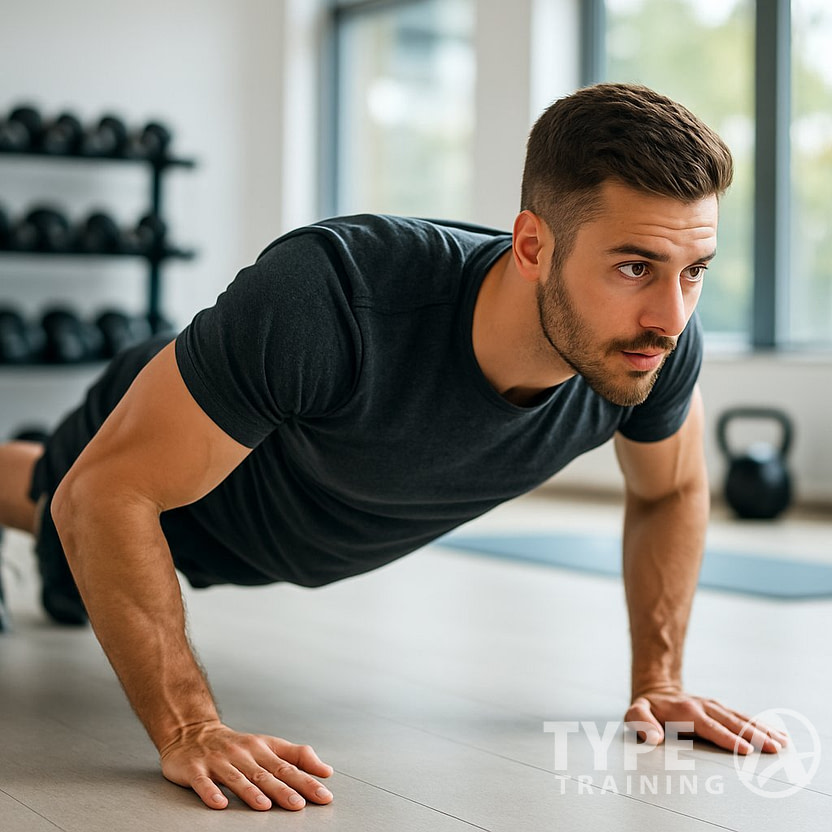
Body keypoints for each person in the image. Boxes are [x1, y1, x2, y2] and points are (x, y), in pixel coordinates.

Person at [0, 83, 788, 812]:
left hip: (281, 535)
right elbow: (105, 495)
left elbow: (669, 490)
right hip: (188, 475)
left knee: (73, 555)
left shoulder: (650, 349)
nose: (671, 316)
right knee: (56, 507)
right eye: (634, 266)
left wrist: (659, 679)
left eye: (695, 272)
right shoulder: (332, 296)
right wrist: (188, 728)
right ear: (532, 246)